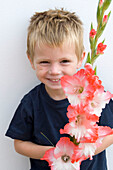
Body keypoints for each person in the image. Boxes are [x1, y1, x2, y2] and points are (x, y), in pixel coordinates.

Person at [5, 9, 113, 170]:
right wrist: (53, 152)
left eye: (64, 61)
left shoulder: (93, 95)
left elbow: (110, 133)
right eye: (44, 62)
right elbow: (19, 144)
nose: (54, 70)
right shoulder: (31, 103)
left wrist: (84, 151)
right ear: (31, 59)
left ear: (80, 59)